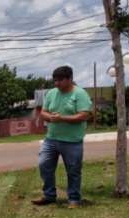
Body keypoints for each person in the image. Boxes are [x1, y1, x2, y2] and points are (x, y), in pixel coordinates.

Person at [32, 65, 92, 209]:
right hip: (51, 139)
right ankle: (49, 195)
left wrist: (62, 118)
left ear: (70, 79)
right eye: (55, 80)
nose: (57, 83)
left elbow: (84, 116)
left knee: (73, 171)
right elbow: (43, 112)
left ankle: (74, 199)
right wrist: (51, 117)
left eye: (60, 80)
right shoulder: (52, 93)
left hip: (72, 141)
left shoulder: (80, 94)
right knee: (44, 164)